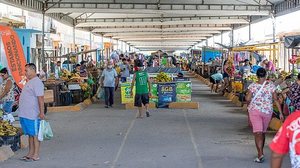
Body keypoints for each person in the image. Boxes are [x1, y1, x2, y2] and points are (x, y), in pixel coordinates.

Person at [245, 67, 283, 163]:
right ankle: (260, 154)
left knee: (259, 133)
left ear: (257, 76)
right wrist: (281, 113)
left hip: (255, 110)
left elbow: (247, 99)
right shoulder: (271, 86)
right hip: (267, 112)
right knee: (260, 132)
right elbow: (276, 100)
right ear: (266, 75)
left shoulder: (252, 86)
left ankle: (260, 153)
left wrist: (248, 96)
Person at [19, 63, 45, 161]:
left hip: (33, 114)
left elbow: (41, 98)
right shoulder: (30, 81)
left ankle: (36, 154)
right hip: (26, 114)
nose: (25, 72)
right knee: (30, 134)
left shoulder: (37, 82)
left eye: (26, 70)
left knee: (35, 135)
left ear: (33, 70)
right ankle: (30, 153)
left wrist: (41, 112)